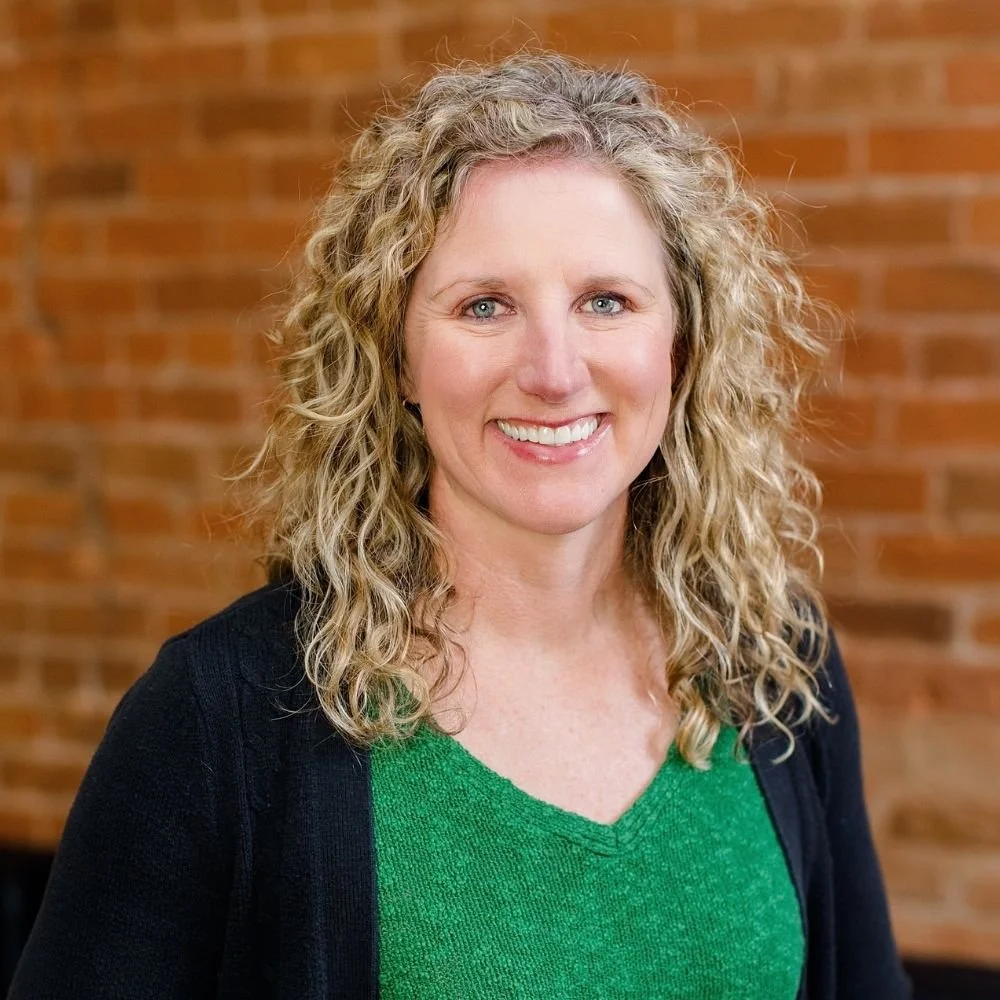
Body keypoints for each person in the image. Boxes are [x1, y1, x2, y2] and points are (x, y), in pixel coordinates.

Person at [10, 52, 911, 999]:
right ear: (395, 358)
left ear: (680, 346)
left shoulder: (776, 666)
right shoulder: (216, 719)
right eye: (486, 306)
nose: (555, 370)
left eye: (606, 301)